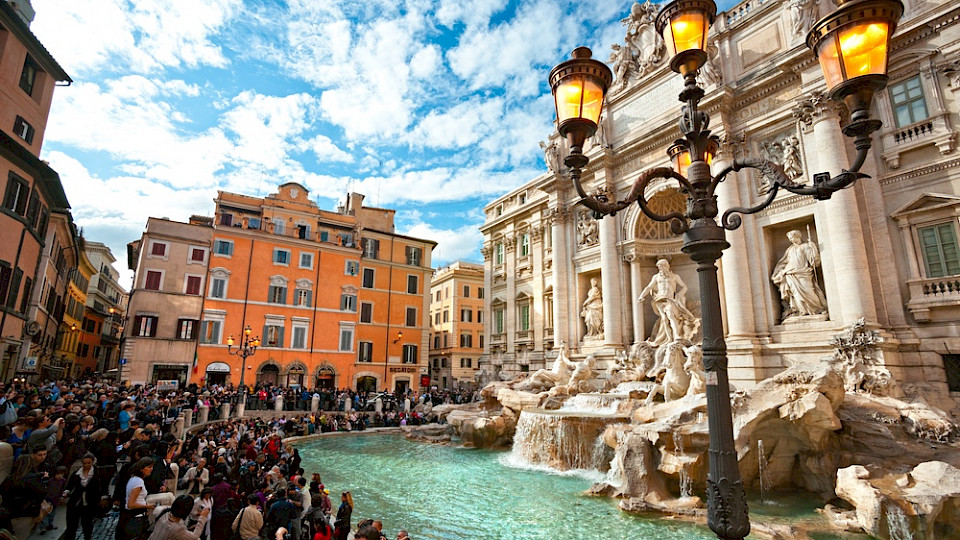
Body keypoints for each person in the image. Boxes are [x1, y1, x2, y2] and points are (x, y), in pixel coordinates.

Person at [638, 259, 701, 346]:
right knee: (664, 318)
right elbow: (648, 287)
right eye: (659, 267)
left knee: (670, 315)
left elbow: (684, 287)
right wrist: (642, 296)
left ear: (666, 266)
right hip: (660, 300)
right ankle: (670, 339)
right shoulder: (656, 277)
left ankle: (676, 336)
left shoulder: (675, 276)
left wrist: (679, 294)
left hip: (670, 299)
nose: (660, 268)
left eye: (661, 266)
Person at [772, 229, 827, 319]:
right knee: (795, 293)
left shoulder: (805, 246)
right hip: (790, 273)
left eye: (791, 237)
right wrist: (779, 272)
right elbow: (784, 262)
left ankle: (818, 309)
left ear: (797, 236)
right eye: (789, 238)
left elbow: (813, 261)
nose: (790, 240)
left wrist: (813, 249)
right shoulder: (790, 249)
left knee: (809, 291)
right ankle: (802, 311)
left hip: (804, 273)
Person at [1, 454, 48, 539]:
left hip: (10, 514)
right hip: (27, 513)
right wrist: (44, 480)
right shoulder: (32, 479)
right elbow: (41, 494)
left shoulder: (9, 479)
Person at [64, 453, 105, 540]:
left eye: (88, 463)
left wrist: (102, 497)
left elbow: (103, 487)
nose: (86, 465)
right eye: (84, 463)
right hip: (75, 502)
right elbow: (70, 486)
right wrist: (66, 492)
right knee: (72, 525)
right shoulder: (76, 474)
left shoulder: (98, 474)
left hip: (90, 503)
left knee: (87, 524)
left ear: (92, 462)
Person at [116, 457, 156, 540]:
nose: (151, 469)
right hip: (135, 517)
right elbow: (131, 504)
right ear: (141, 469)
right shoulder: (138, 482)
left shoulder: (135, 479)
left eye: (152, 467)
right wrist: (147, 506)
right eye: (149, 467)